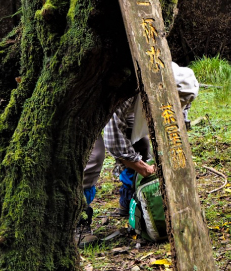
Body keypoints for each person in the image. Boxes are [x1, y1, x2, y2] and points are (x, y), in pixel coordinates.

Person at [76, 62, 199, 245]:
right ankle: (77, 223)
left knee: (141, 145)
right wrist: (142, 167)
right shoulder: (127, 88)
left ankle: (130, 201)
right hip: (84, 105)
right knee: (92, 157)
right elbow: (113, 139)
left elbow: (176, 125)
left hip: (126, 103)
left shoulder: (182, 86)